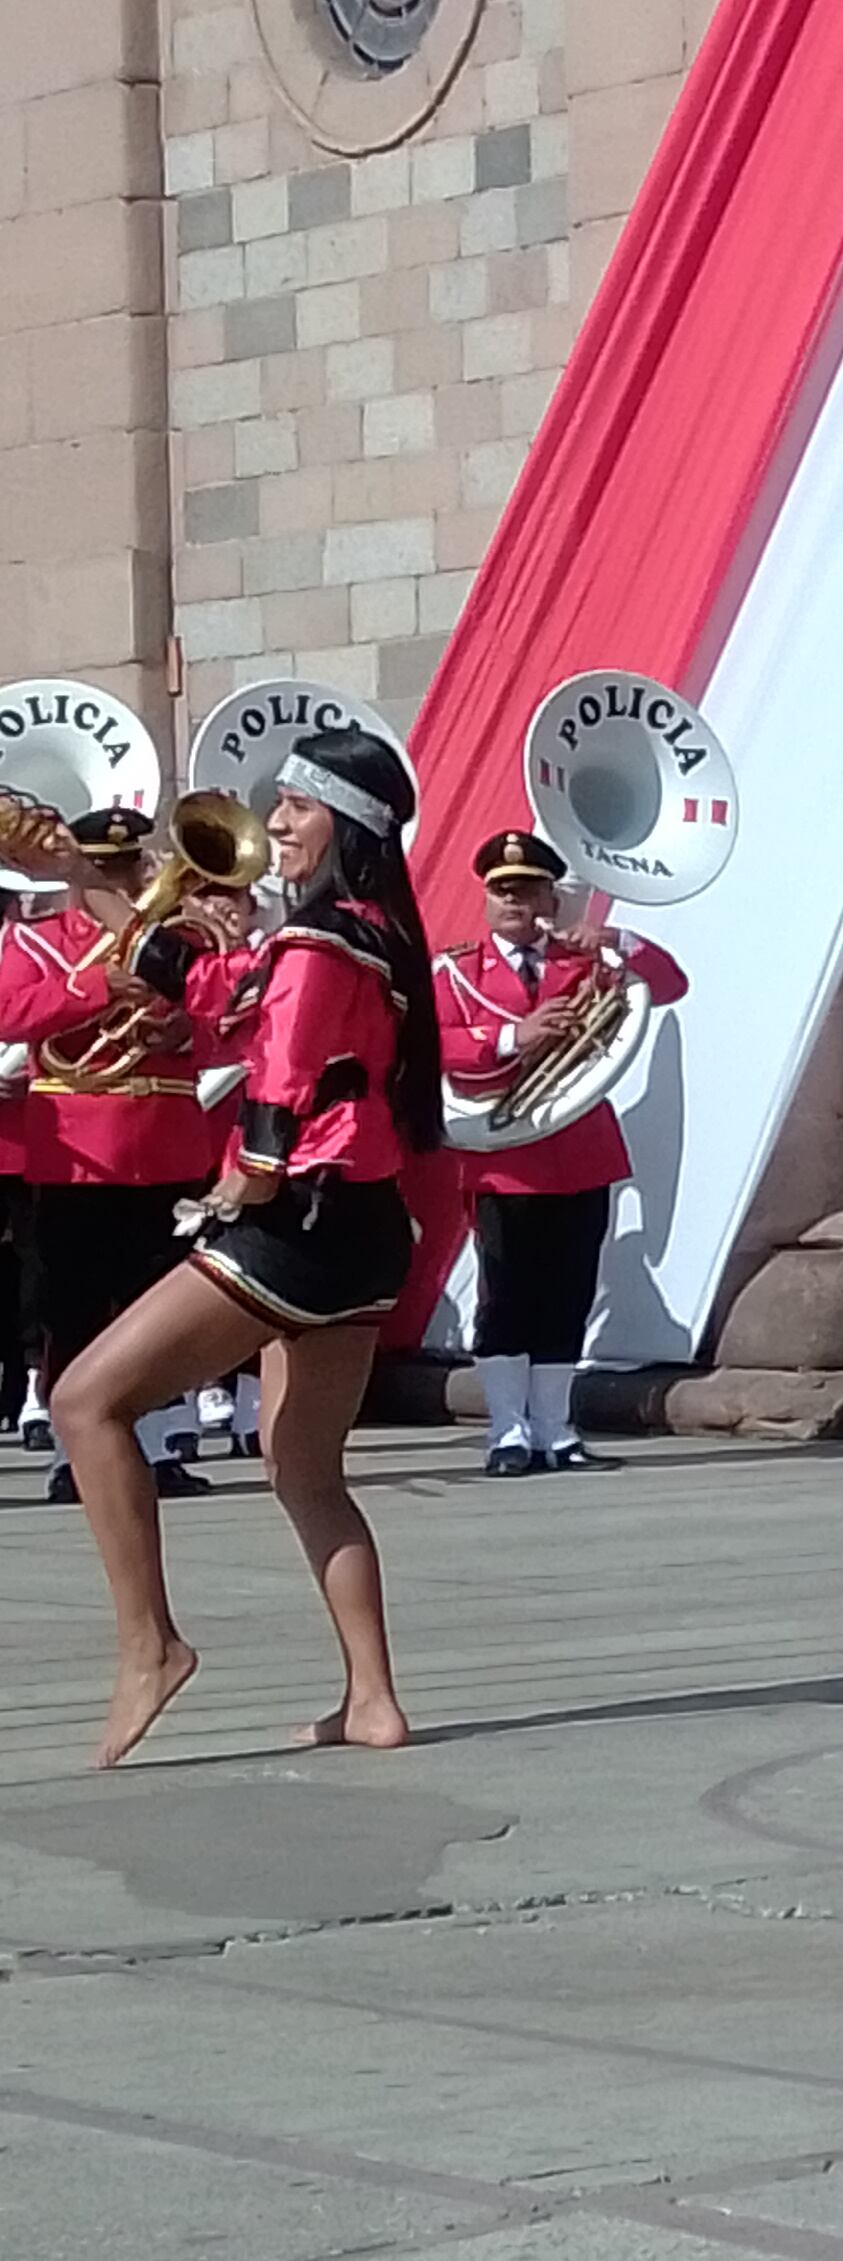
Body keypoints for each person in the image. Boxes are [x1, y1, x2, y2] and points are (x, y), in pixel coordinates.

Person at [61, 728, 436, 1767]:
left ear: (346, 824)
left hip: (300, 1220)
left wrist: (250, 1175)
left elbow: (280, 1070)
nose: (275, 826)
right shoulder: (374, 936)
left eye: (298, 809)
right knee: (305, 1469)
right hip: (364, 1237)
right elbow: (222, 994)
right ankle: (371, 1702)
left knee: (85, 1402)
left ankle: (152, 1645)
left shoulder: (319, 944)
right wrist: (92, 881)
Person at [434, 829, 693, 1475]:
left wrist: (618, 942)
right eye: (503, 892)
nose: (515, 904)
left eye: (528, 890)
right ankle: (506, 1431)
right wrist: (508, 1037)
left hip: (580, 1150)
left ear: (553, 896)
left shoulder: (586, 964)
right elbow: (428, 1044)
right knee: (505, 1298)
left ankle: (555, 1428)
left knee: (568, 1294)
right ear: (487, 899)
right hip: (503, 1159)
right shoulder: (456, 971)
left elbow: (670, 985)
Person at [22, 806, 235, 1506]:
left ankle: (165, 1440)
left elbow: (231, 1022)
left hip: (166, 1141)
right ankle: (70, 1450)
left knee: (164, 1303)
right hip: (77, 1150)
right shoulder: (40, 942)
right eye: (102, 868)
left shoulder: (174, 943)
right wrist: (92, 989)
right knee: (74, 1306)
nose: (121, 878)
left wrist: (184, 1033)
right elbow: (7, 1010)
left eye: (126, 865)